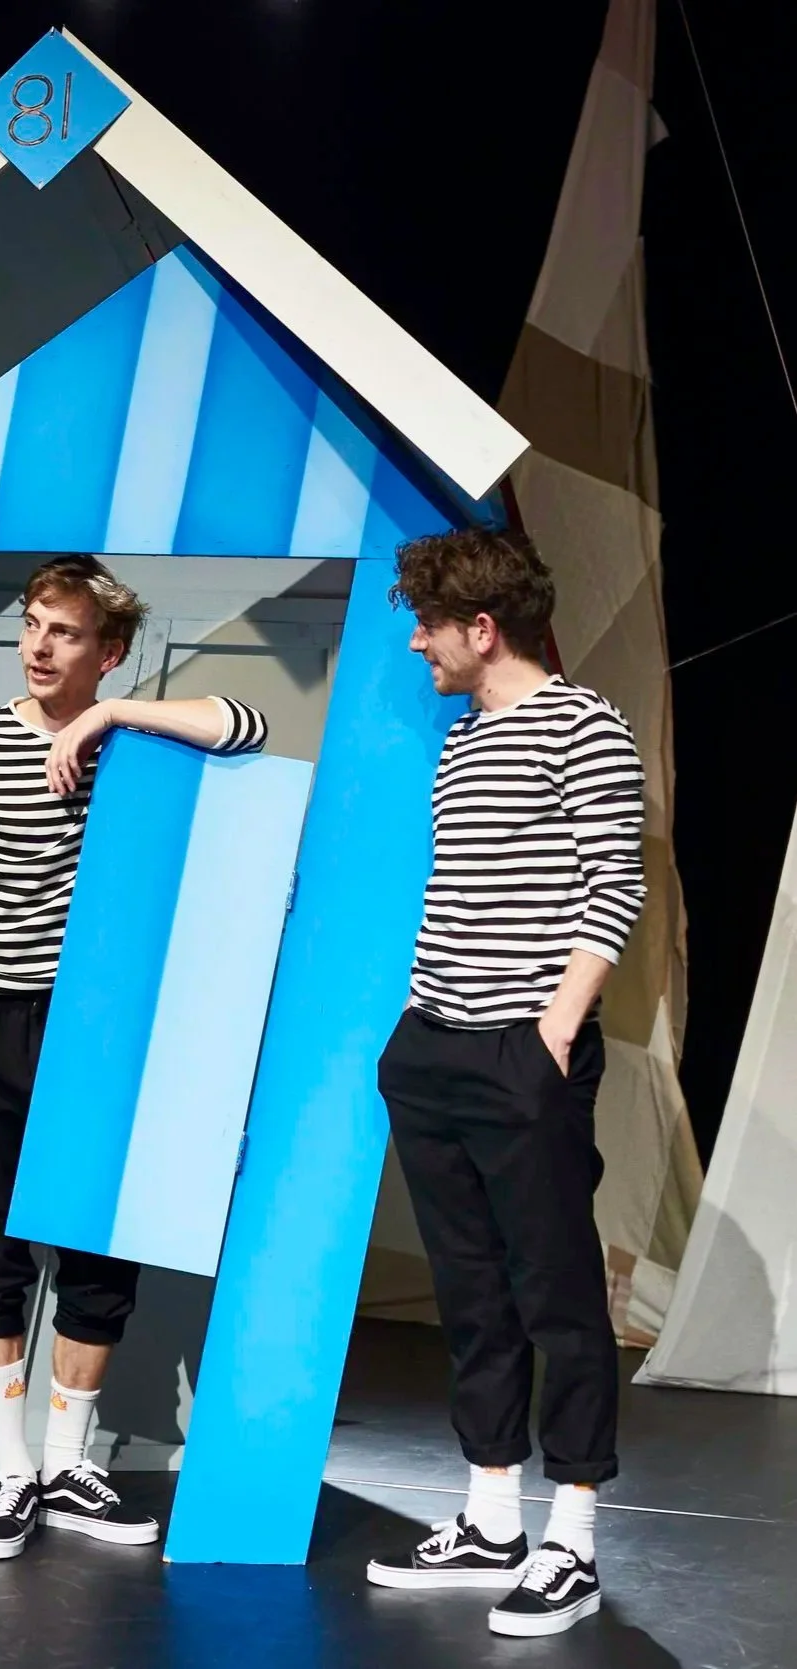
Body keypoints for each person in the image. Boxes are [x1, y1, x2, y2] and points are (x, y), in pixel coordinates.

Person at [0, 555, 268, 1561]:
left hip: (89, 1031)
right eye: (34, 625)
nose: (42, 647)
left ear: (110, 652)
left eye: (66, 633)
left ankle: (66, 1462)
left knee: (99, 1252)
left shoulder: (132, 749)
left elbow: (246, 726)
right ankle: (12, 1478)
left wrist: (107, 721)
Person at [366, 528, 646, 1638]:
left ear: (482, 629)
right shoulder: (464, 738)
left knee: (556, 1295)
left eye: (429, 625)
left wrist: (551, 1037)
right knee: (472, 1294)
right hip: (434, 1044)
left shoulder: (586, 725)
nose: (418, 645)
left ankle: (570, 1534)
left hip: (524, 1055)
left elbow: (611, 887)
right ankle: (491, 1517)